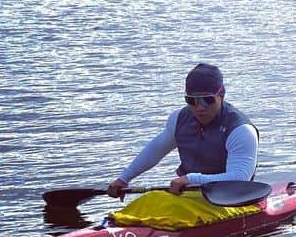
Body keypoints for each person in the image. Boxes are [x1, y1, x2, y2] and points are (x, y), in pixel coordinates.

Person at [107, 63, 258, 199]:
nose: (200, 107)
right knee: (145, 202)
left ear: (221, 95)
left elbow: (239, 179)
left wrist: (192, 179)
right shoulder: (179, 118)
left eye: (208, 99)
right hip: (187, 194)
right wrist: (123, 179)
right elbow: (155, 150)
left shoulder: (241, 130)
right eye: (192, 100)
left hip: (227, 198)